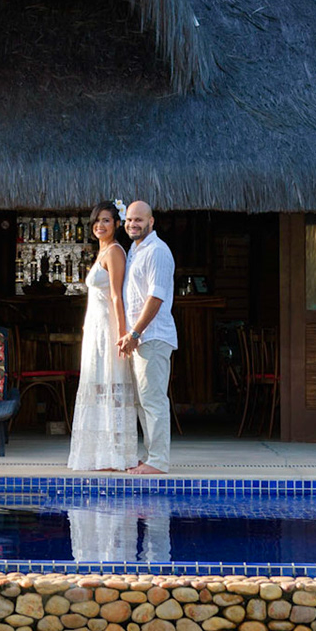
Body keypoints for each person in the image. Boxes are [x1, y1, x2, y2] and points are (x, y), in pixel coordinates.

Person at [66, 201, 138, 472]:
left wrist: (123, 334)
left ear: (117, 225)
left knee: (111, 384)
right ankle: (97, 453)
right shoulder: (101, 252)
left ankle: (114, 453)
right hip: (95, 329)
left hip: (109, 328)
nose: (100, 225)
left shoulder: (115, 252)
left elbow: (117, 296)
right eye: (97, 221)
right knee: (97, 386)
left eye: (106, 220)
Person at [117, 200, 175, 474]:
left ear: (152, 222)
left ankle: (159, 461)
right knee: (142, 400)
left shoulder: (157, 251)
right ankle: (151, 456)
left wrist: (135, 332)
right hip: (139, 338)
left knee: (153, 400)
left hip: (152, 337)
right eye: (129, 219)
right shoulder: (135, 249)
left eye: (139, 220)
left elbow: (156, 297)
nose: (132, 224)